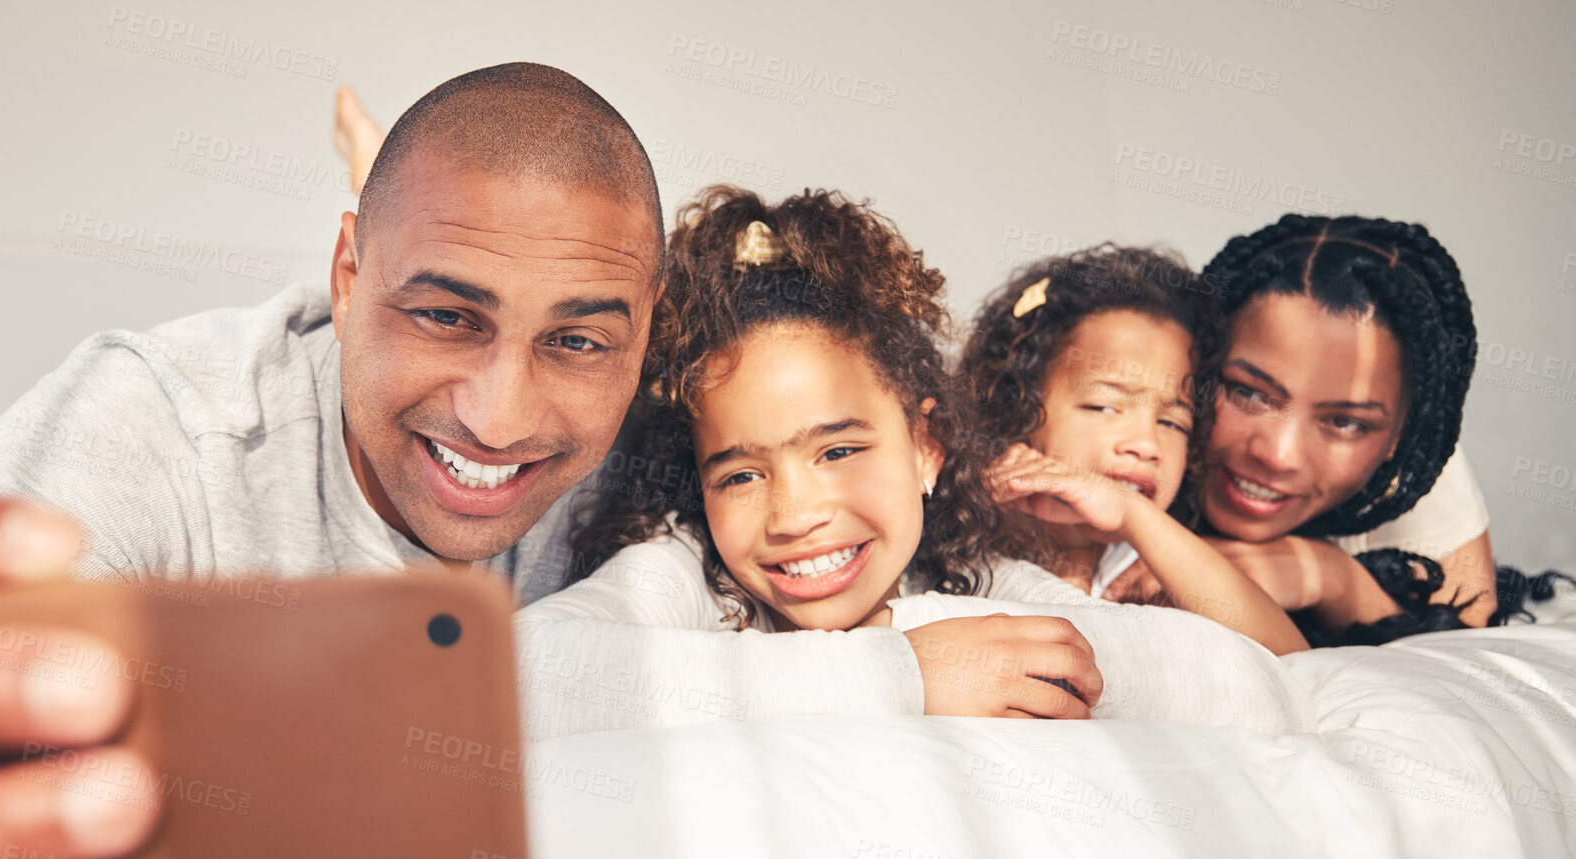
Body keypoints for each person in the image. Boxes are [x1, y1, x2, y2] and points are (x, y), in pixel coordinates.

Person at [0, 64, 1103, 859]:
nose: (499, 417)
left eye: (576, 341)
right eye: (442, 315)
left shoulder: (663, 478)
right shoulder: (163, 418)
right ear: (342, 274)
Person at [521, 186, 1310, 732]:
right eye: (740, 474)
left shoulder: (968, 577)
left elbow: (1262, 687)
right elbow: (514, 679)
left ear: (926, 447)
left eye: (838, 448)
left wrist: (921, 627)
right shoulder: (692, 573)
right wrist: (902, 672)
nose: (796, 513)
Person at [1104, 216, 1501, 640]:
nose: (1278, 454)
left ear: (1399, 438)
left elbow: (1466, 634)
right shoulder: (1120, 425)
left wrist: (1333, 580)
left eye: (1345, 422)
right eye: (1248, 392)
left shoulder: (1410, 469)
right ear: (1198, 362)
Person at [952, 245, 1307, 654]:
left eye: (1173, 422)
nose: (1146, 445)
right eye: (1104, 406)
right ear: (1015, 408)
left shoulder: (1151, 562)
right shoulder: (960, 534)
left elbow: (1290, 656)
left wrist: (1133, 514)